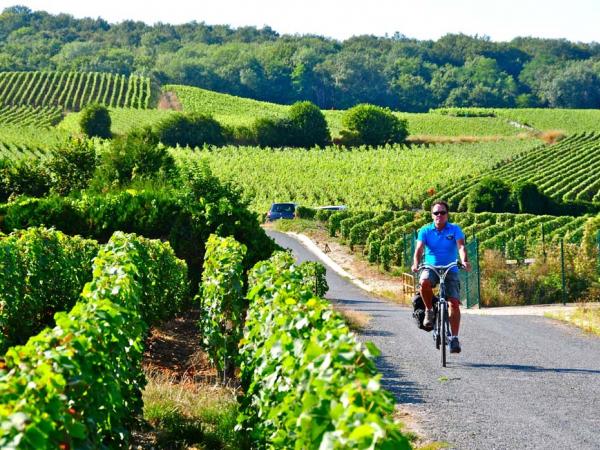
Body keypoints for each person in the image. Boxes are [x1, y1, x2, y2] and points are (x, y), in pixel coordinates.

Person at [411, 200, 471, 353]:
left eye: (442, 212)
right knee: (424, 282)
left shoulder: (455, 229)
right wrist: (416, 263)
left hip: (450, 268)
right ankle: (430, 310)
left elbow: (461, 246)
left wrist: (464, 261)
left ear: (447, 214)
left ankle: (454, 338)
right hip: (431, 267)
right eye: (436, 213)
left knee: (454, 303)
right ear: (432, 215)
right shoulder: (425, 230)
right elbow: (419, 249)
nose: (439, 215)